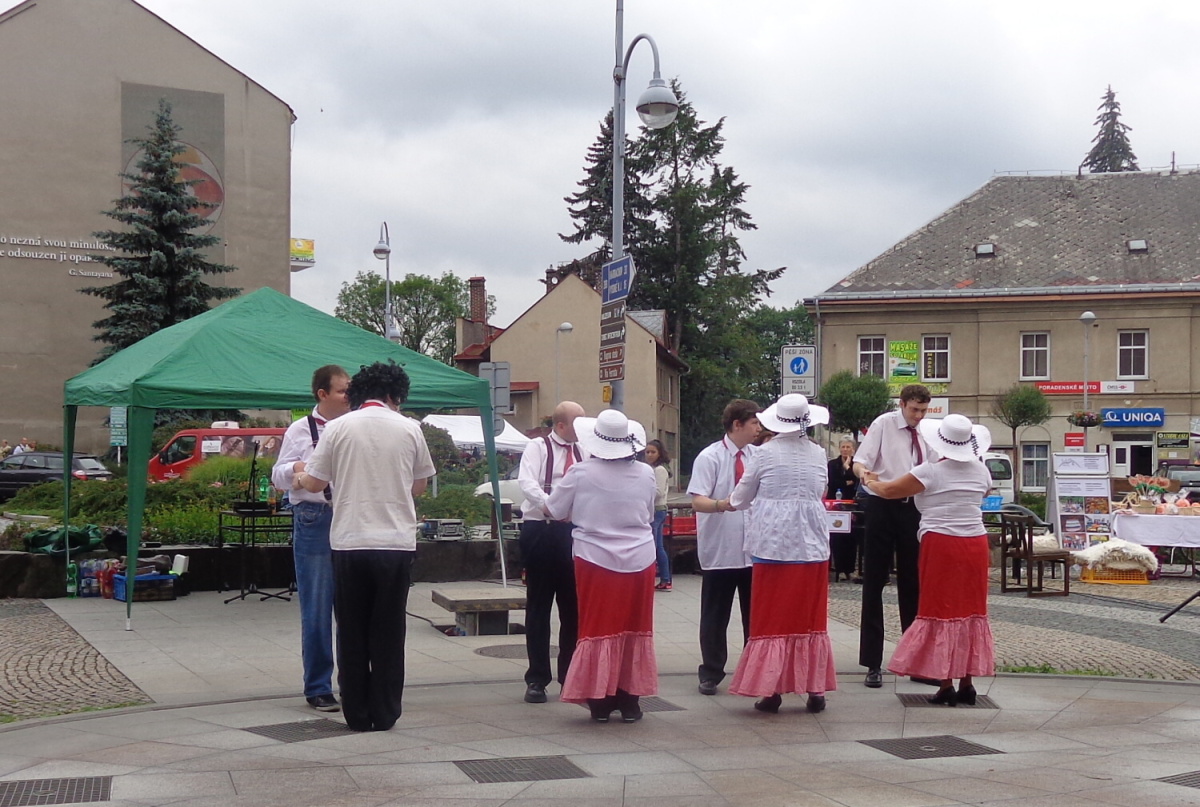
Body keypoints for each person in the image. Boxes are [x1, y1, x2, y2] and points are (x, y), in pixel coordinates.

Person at [296, 361, 435, 732]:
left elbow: (314, 483)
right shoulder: (410, 428)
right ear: (393, 394)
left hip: (350, 541)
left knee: (352, 629)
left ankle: (356, 712)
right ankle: (386, 710)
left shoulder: (338, 428)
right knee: (389, 629)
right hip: (395, 542)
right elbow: (419, 485)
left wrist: (299, 476)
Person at [862, 414, 996, 706]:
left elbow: (889, 491)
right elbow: (985, 491)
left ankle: (945, 682)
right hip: (975, 543)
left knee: (940, 609)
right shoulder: (981, 470)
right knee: (970, 610)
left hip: (942, 542)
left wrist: (869, 479)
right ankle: (967, 681)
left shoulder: (931, 471)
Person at [718, 394, 837, 713]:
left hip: (774, 542)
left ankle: (772, 689)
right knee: (809, 618)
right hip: (811, 543)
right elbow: (821, 490)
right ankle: (814, 688)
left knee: (772, 619)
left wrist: (728, 502)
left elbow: (741, 498)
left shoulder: (763, 454)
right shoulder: (818, 453)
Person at [546, 409, 657, 723]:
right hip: (640, 556)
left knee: (597, 627)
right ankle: (630, 699)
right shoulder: (645, 473)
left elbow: (555, 510)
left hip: (595, 557)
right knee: (635, 627)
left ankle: (600, 699)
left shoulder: (580, 473)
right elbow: (648, 514)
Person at [272, 365, 351, 713]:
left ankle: (352, 681)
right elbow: (277, 475)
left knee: (351, 607)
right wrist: (297, 468)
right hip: (314, 516)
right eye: (342, 391)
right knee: (317, 606)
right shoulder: (300, 429)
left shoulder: (354, 425)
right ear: (323, 394)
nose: (348, 396)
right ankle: (318, 686)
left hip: (350, 516)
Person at [853, 384, 933, 689]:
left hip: (914, 508)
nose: (918, 416)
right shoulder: (884, 424)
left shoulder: (927, 432)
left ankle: (915, 661)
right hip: (882, 504)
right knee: (874, 581)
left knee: (913, 584)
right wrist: (864, 474)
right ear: (902, 404)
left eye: (923, 410)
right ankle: (872, 663)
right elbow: (861, 460)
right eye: (914, 409)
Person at [688, 398, 761, 696]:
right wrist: (722, 504)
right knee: (715, 614)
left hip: (754, 549)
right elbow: (697, 500)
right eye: (754, 423)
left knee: (754, 616)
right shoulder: (710, 457)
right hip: (721, 547)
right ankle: (711, 671)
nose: (758, 428)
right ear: (737, 424)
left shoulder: (758, 456)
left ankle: (754, 670)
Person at [517, 401, 587, 704]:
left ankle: (570, 676)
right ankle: (537, 679)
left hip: (573, 532)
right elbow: (526, 482)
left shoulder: (585, 450)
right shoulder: (538, 446)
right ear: (560, 425)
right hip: (542, 529)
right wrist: (550, 506)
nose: (582, 429)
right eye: (577, 423)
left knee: (573, 607)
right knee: (538, 606)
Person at [828, 437, 860, 582]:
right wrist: (846, 482)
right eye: (843, 447)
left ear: (853, 449)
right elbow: (832, 482)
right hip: (835, 505)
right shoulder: (832, 464)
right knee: (837, 537)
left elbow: (856, 481)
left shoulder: (856, 465)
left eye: (848, 447)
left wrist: (847, 468)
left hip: (851, 505)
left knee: (851, 537)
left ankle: (850, 569)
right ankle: (839, 568)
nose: (845, 450)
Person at [644, 439, 673, 592]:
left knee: (654, 546)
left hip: (656, 510)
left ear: (660, 453)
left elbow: (658, 492)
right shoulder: (654, 468)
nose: (649, 455)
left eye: (653, 452)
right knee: (658, 546)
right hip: (658, 509)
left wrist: (642, 493)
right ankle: (665, 579)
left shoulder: (660, 470)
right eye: (647, 452)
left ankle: (662, 579)